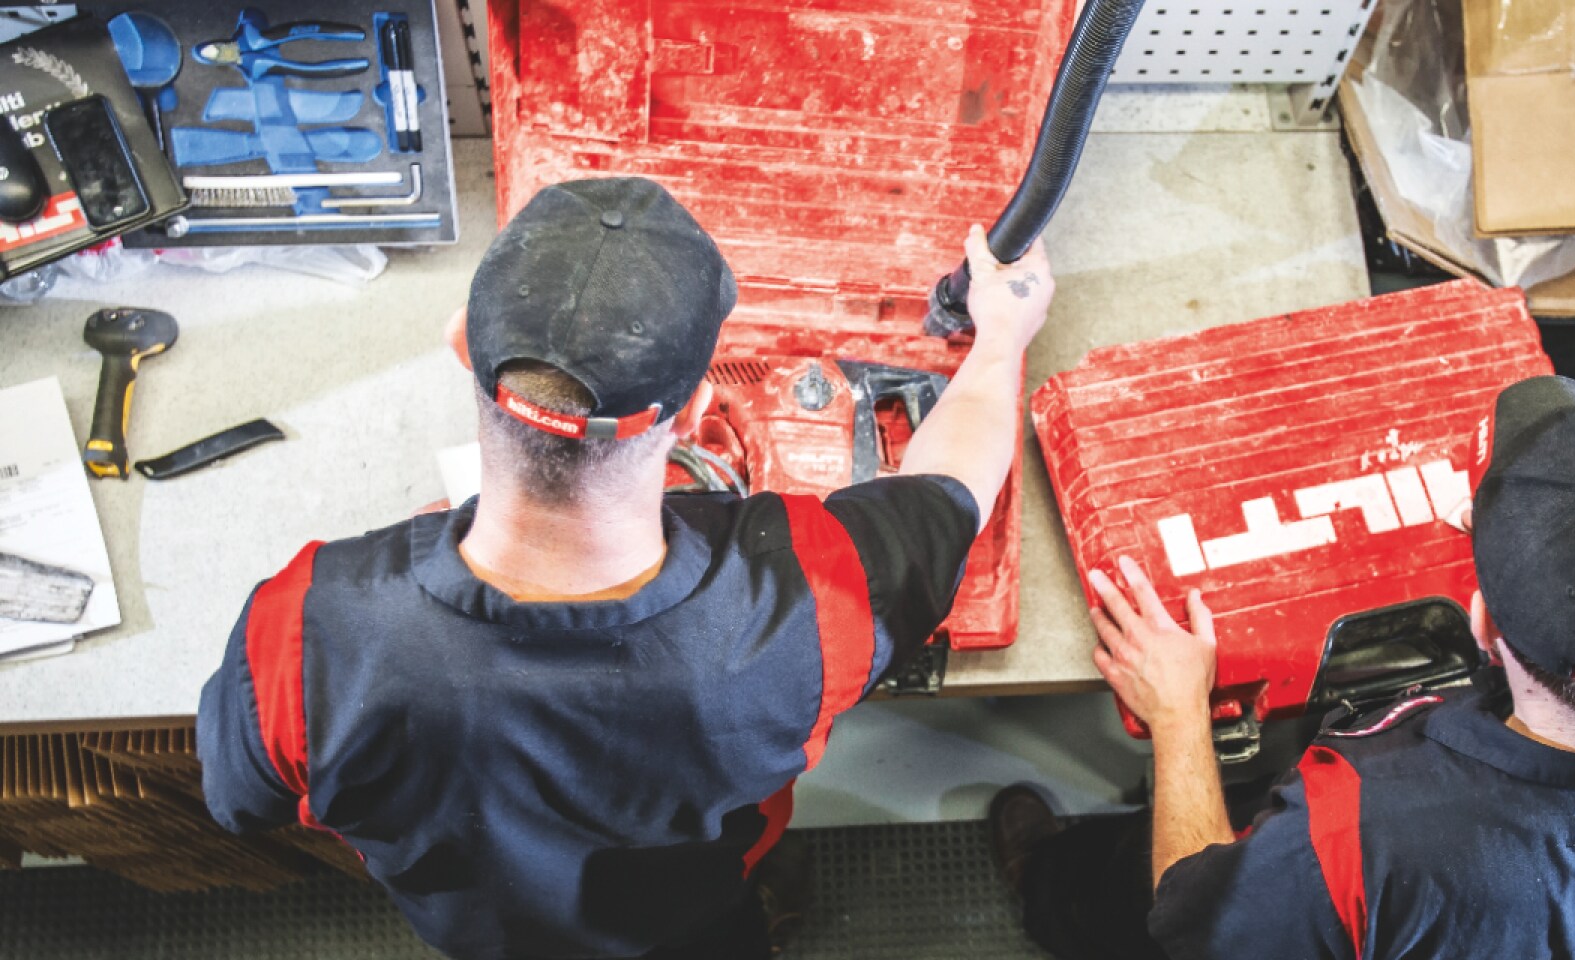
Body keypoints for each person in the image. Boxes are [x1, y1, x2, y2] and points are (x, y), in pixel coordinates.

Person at [197, 177, 1054, 960]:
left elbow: (241, 804)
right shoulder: (811, 601)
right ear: (694, 409)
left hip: (484, 934)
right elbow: (951, 493)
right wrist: (1001, 339)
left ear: (463, 345)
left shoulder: (302, 630)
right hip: (699, 921)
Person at [991, 375, 1575, 960]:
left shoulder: (1356, 839)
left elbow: (1192, 923)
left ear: (1480, 621)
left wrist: (1180, 715)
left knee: (1117, 895)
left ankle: (1045, 889)